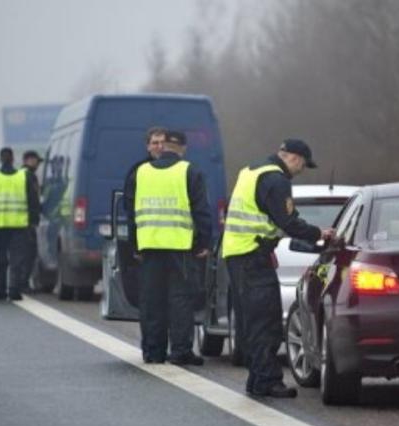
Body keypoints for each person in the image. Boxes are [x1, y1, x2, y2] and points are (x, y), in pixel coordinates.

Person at [222, 139, 334, 398]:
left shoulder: (251, 170)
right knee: (266, 320)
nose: (301, 171)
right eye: (303, 165)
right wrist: (319, 233)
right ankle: (267, 381)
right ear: (293, 158)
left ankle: (256, 378)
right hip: (252, 255)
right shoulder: (276, 180)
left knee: (253, 320)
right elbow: (288, 221)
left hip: (239, 252)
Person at [125, 130, 212, 365]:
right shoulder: (189, 172)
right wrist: (204, 242)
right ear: (182, 148)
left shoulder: (139, 173)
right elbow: (201, 211)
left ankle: (153, 352)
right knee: (180, 300)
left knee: (151, 301)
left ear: (163, 147)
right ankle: (181, 351)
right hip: (180, 247)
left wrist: (135, 245)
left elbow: (130, 213)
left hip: (149, 246)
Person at [0, 147, 40, 302]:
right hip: (19, 227)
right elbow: (33, 202)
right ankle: (14, 291)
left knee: (0, 261)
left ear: (0, 159)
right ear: (13, 160)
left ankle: (0, 291)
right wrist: (34, 221)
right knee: (17, 261)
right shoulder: (23, 176)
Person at [123, 126, 167, 210]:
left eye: (163, 142)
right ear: (148, 147)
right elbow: (129, 203)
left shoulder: (179, 169)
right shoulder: (138, 170)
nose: (160, 147)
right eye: (155, 143)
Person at [19, 150, 43, 294]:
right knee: (28, 253)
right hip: (25, 221)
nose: (38, 165)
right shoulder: (27, 176)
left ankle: (21, 283)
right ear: (28, 160)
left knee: (24, 254)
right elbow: (31, 200)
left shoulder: (25, 175)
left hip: (23, 220)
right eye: (36, 161)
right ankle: (23, 283)